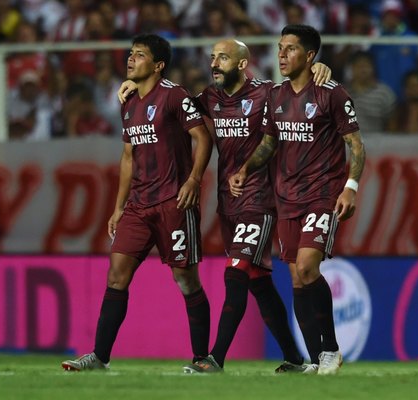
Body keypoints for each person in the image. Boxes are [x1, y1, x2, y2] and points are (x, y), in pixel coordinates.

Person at [117, 38, 332, 374]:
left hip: (261, 200)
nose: (214, 64)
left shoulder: (267, 93)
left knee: (236, 273)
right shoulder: (208, 99)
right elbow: (167, 103)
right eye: (212, 58)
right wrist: (137, 82)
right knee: (259, 282)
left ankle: (214, 358)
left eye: (222, 58)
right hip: (228, 202)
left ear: (243, 64)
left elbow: (299, 87)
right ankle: (294, 357)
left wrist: (319, 68)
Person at [61, 33, 213, 371]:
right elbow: (128, 156)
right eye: (130, 53)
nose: (131, 59)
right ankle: (99, 357)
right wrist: (118, 206)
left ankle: (203, 358)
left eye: (140, 55)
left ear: (158, 65)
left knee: (185, 279)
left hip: (174, 202)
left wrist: (193, 180)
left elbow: (203, 137)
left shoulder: (175, 96)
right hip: (139, 206)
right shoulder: (129, 102)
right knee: (116, 275)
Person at [228, 24, 366, 376]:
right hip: (285, 197)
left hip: (322, 194)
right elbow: (270, 143)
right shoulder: (276, 95)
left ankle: (332, 349)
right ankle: (318, 357)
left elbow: (356, 146)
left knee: (307, 267)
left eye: (290, 49)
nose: (281, 54)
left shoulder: (332, 93)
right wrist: (245, 168)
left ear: (309, 56)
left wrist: (350, 185)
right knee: (296, 279)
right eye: (279, 47)